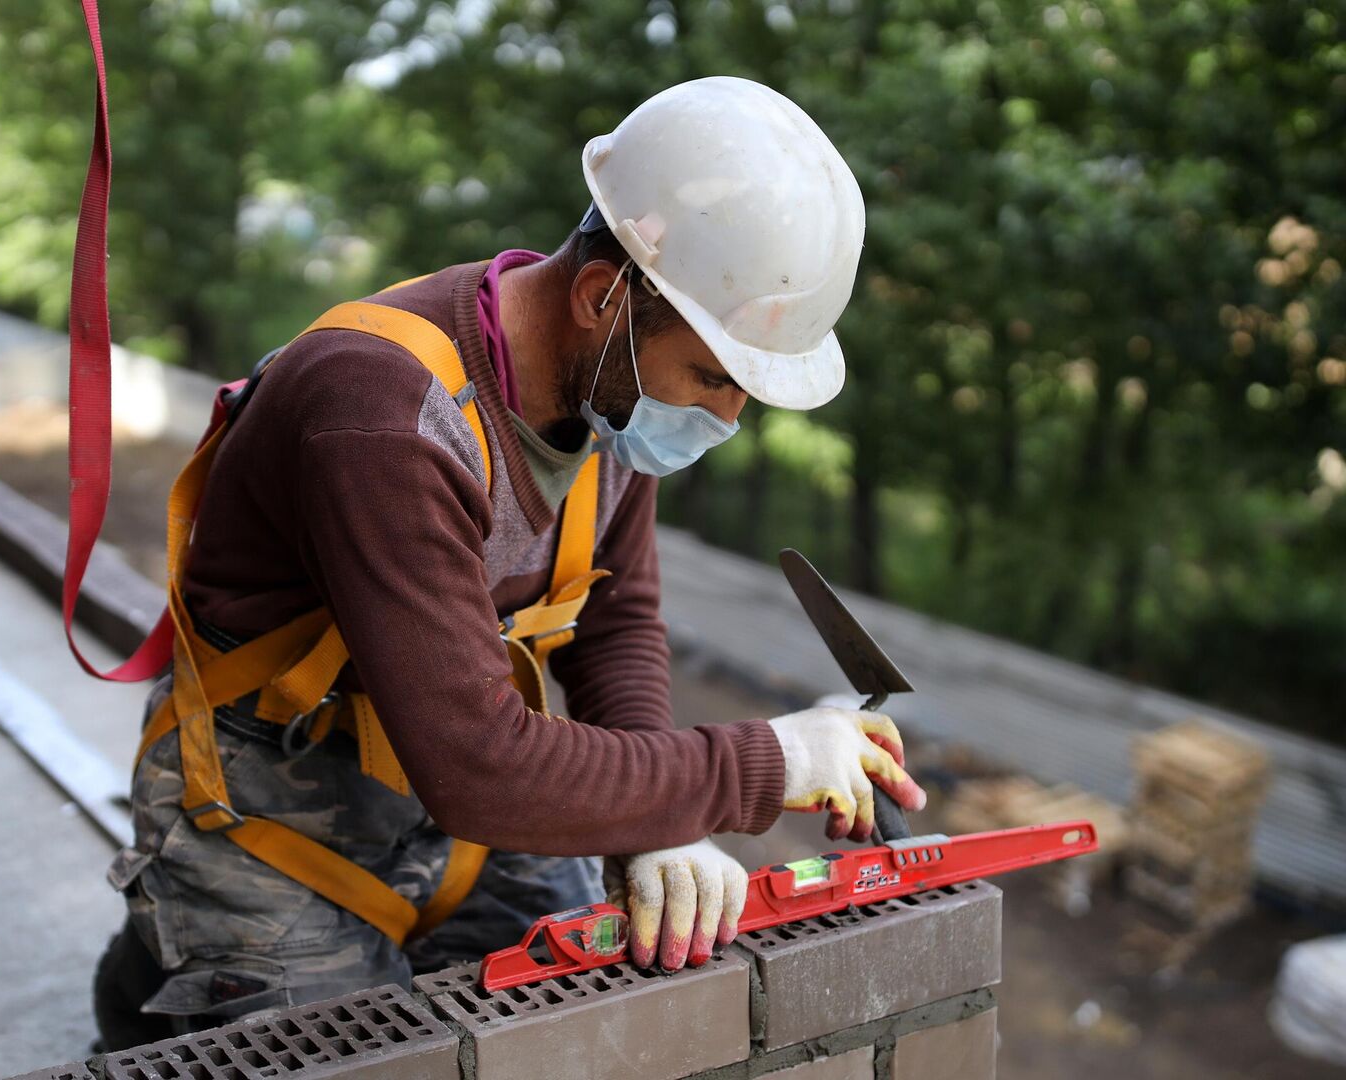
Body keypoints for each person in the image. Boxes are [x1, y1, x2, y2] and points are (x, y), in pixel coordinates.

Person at [93, 76, 926, 1048]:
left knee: (605, 1013)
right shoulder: (383, 416)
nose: (723, 419)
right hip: (266, 810)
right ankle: (159, 962)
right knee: (349, 1066)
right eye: (710, 375)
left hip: (433, 785)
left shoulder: (609, 395)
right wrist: (768, 761)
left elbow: (613, 619)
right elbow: (483, 771)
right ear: (601, 298)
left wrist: (650, 825)